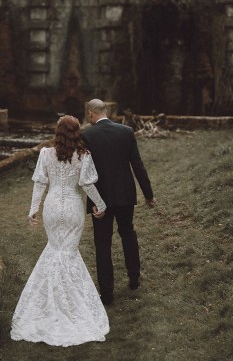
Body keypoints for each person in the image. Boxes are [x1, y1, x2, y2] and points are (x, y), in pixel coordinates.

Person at [11, 115, 109, 347]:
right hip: (73, 207)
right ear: (77, 132)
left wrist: (34, 208)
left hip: (53, 207)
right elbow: (86, 183)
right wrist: (101, 204)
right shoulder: (83, 156)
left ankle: (49, 302)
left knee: (55, 250)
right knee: (68, 252)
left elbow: (40, 183)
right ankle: (70, 304)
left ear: (57, 132)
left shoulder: (46, 154)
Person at [82, 99, 155, 306]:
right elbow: (137, 165)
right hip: (125, 194)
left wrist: (94, 199)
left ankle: (107, 293)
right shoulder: (126, 131)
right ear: (105, 111)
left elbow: (86, 172)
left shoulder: (87, 135)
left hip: (100, 198)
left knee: (102, 243)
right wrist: (148, 194)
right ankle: (134, 278)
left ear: (90, 113)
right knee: (128, 233)